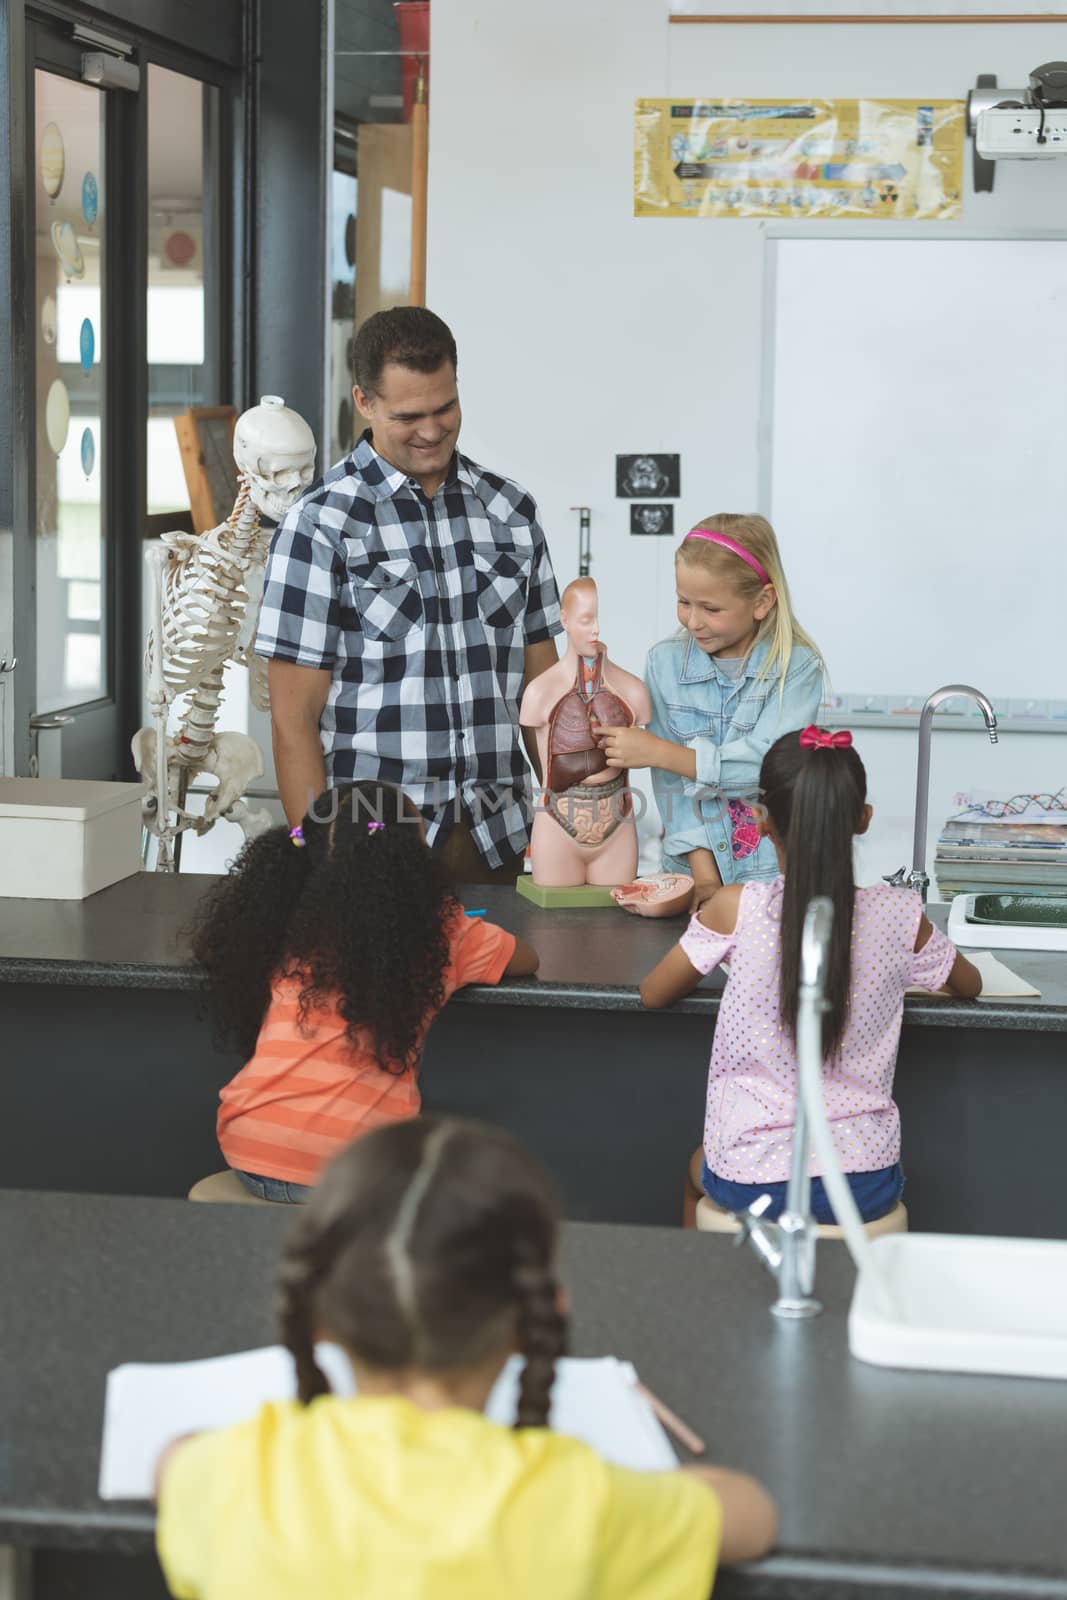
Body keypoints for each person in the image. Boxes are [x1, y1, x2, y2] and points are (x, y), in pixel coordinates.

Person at [156, 1116, 778, 1599]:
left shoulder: (236, 1478)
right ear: (537, 1317)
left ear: (323, 1322)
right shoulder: (582, 1501)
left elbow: (172, 1461)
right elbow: (751, 1516)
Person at [256, 306, 562, 887]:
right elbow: (293, 721)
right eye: (409, 415)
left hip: (497, 838)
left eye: (445, 408)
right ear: (364, 403)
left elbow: (542, 696)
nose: (431, 430)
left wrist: (569, 820)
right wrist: (319, 863)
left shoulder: (511, 513)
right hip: (370, 846)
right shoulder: (320, 524)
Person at [639, 728, 982, 1227]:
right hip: (865, 1180)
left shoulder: (737, 909)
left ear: (759, 822)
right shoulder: (901, 915)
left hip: (752, 1173)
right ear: (862, 819)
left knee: (697, 1174)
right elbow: (968, 984)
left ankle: (704, 1294)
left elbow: (653, 993)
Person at [189, 779, 538, 1202]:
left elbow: (211, 947)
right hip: (359, 1165)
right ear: (411, 858)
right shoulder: (441, 930)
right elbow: (525, 958)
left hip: (248, 1147)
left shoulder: (278, 918)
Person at [595, 513, 824, 900]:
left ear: (762, 602)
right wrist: (704, 878)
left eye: (711, 609)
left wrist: (662, 753)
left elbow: (766, 768)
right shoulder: (663, 664)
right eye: (684, 602)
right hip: (692, 872)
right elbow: (671, 789)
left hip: (775, 876)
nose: (693, 621)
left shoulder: (797, 669)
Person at [519, 577, 651, 887]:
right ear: (564, 619)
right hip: (556, 824)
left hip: (616, 824)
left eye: (599, 620)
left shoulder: (633, 692)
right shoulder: (539, 693)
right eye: (586, 620)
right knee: (552, 930)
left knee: (616, 929)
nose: (596, 630)